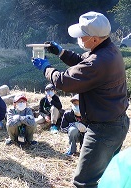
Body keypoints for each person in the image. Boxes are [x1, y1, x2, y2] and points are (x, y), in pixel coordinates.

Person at [32, 11, 129, 187]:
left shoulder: (98, 61)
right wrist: (61, 52)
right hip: (117, 123)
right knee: (109, 174)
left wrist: (46, 67)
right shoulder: (109, 49)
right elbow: (81, 61)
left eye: (82, 36)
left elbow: (64, 81)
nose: (80, 39)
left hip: (103, 130)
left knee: (83, 182)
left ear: (94, 38)